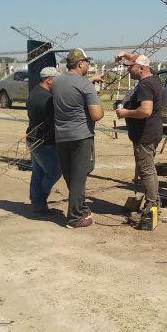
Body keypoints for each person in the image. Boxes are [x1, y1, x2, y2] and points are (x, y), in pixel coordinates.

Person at [51, 48, 104, 228]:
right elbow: (96, 115)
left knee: (71, 176)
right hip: (81, 136)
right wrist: (97, 99)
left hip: (62, 136)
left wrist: (88, 82)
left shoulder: (57, 82)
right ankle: (74, 218)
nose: (88, 65)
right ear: (80, 63)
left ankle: (80, 207)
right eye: (87, 62)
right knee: (79, 178)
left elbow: (72, 86)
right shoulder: (85, 86)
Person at [114, 52, 163, 217]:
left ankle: (151, 205)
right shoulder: (153, 77)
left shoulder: (145, 85)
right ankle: (155, 200)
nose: (128, 70)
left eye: (130, 67)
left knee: (146, 169)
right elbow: (140, 57)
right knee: (149, 168)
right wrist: (125, 54)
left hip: (145, 135)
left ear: (141, 68)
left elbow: (145, 110)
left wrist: (125, 113)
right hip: (153, 132)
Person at [26, 67, 62, 214]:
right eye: (57, 81)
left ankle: (36, 202)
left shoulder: (34, 92)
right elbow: (52, 123)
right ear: (49, 80)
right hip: (43, 142)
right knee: (54, 171)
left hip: (33, 139)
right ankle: (41, 199)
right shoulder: (46, 99)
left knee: (38, 171)